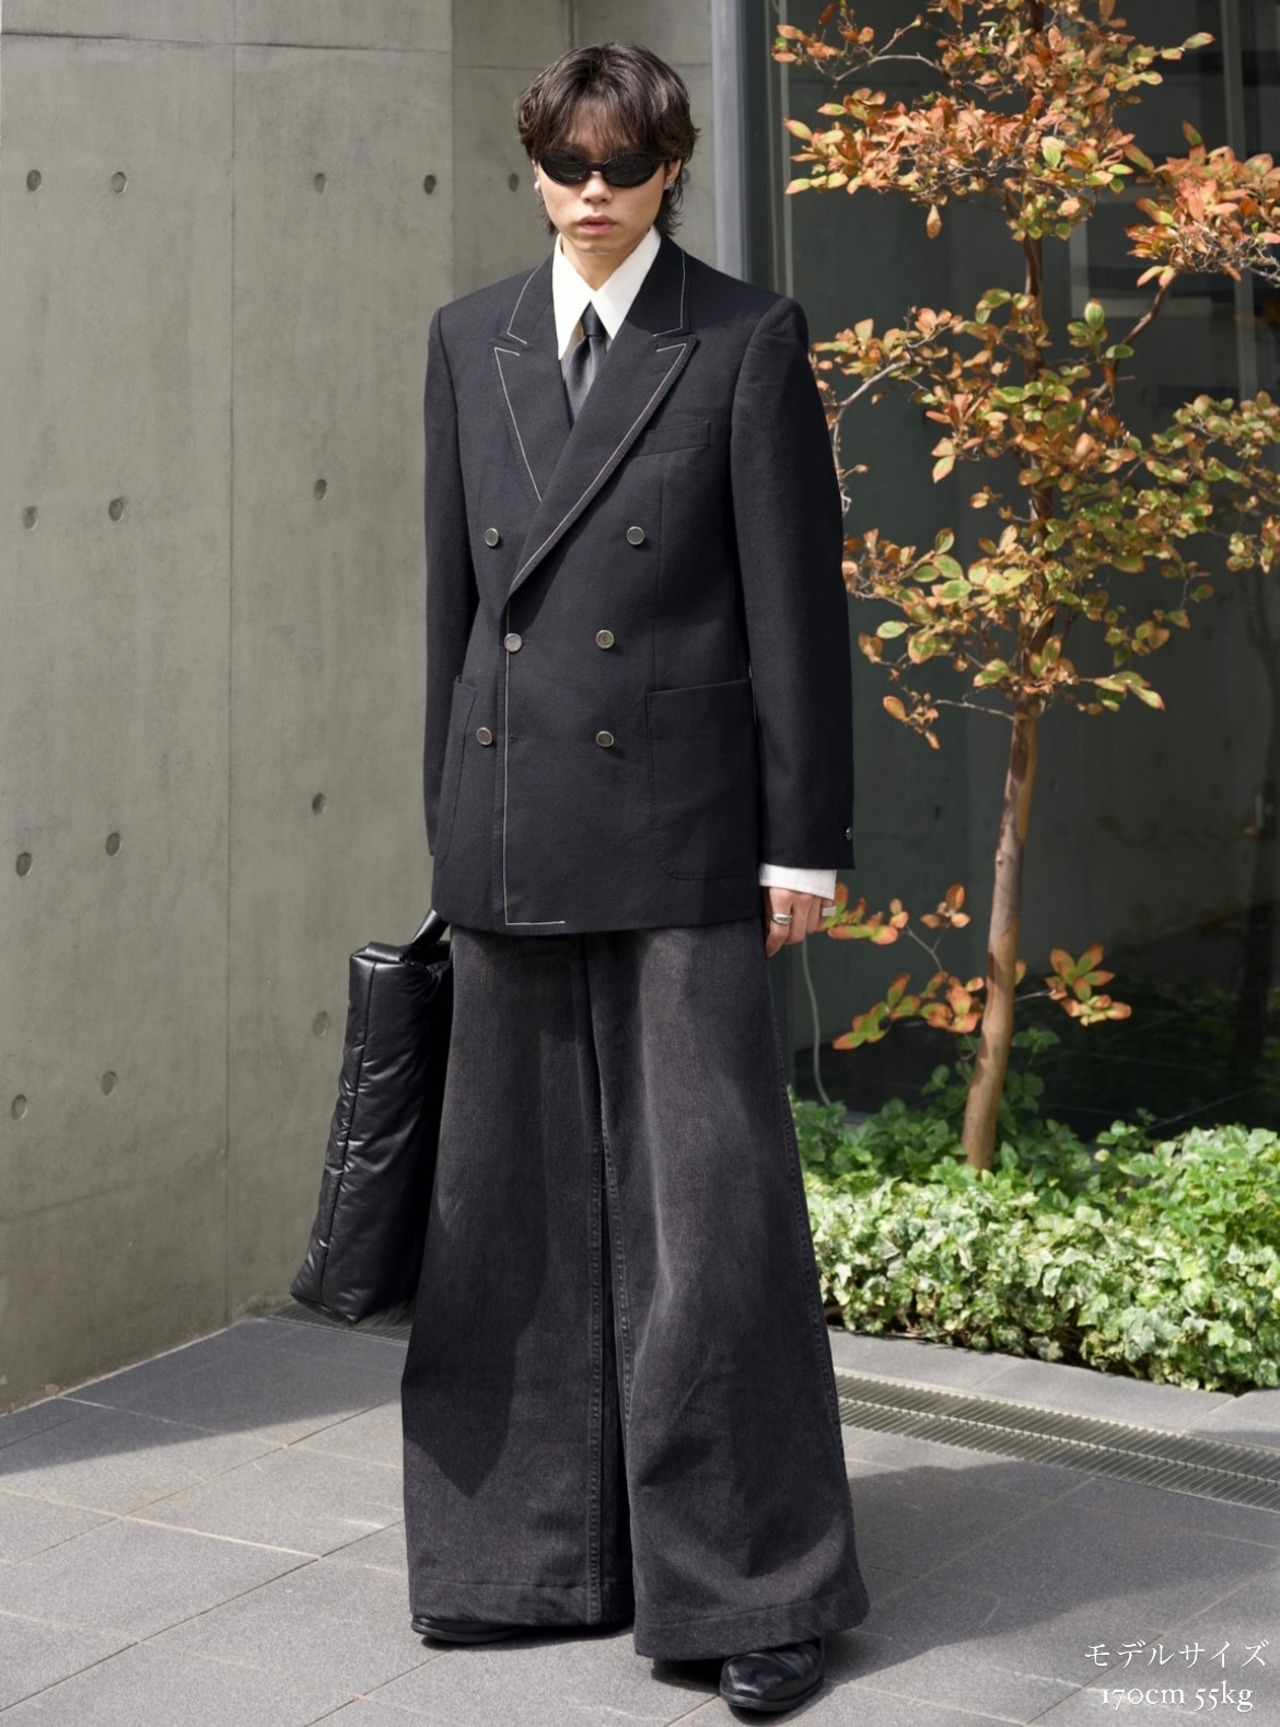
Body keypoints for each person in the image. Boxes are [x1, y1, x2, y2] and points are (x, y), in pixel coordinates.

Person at [399, 40, 868, 1716]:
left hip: (685, 838)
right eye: (566, 165)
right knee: (501, 1216)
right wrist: (451, 817)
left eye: (622, 167)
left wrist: (803, 840)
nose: (590, 195)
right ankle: (516, 1561)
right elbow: (455, 616)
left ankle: (756, 1589)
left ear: (670, 169)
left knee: (712, 1222)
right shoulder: (468, 337)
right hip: (513, 828)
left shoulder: (741, 338)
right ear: (535, 164)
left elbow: (796, 610)